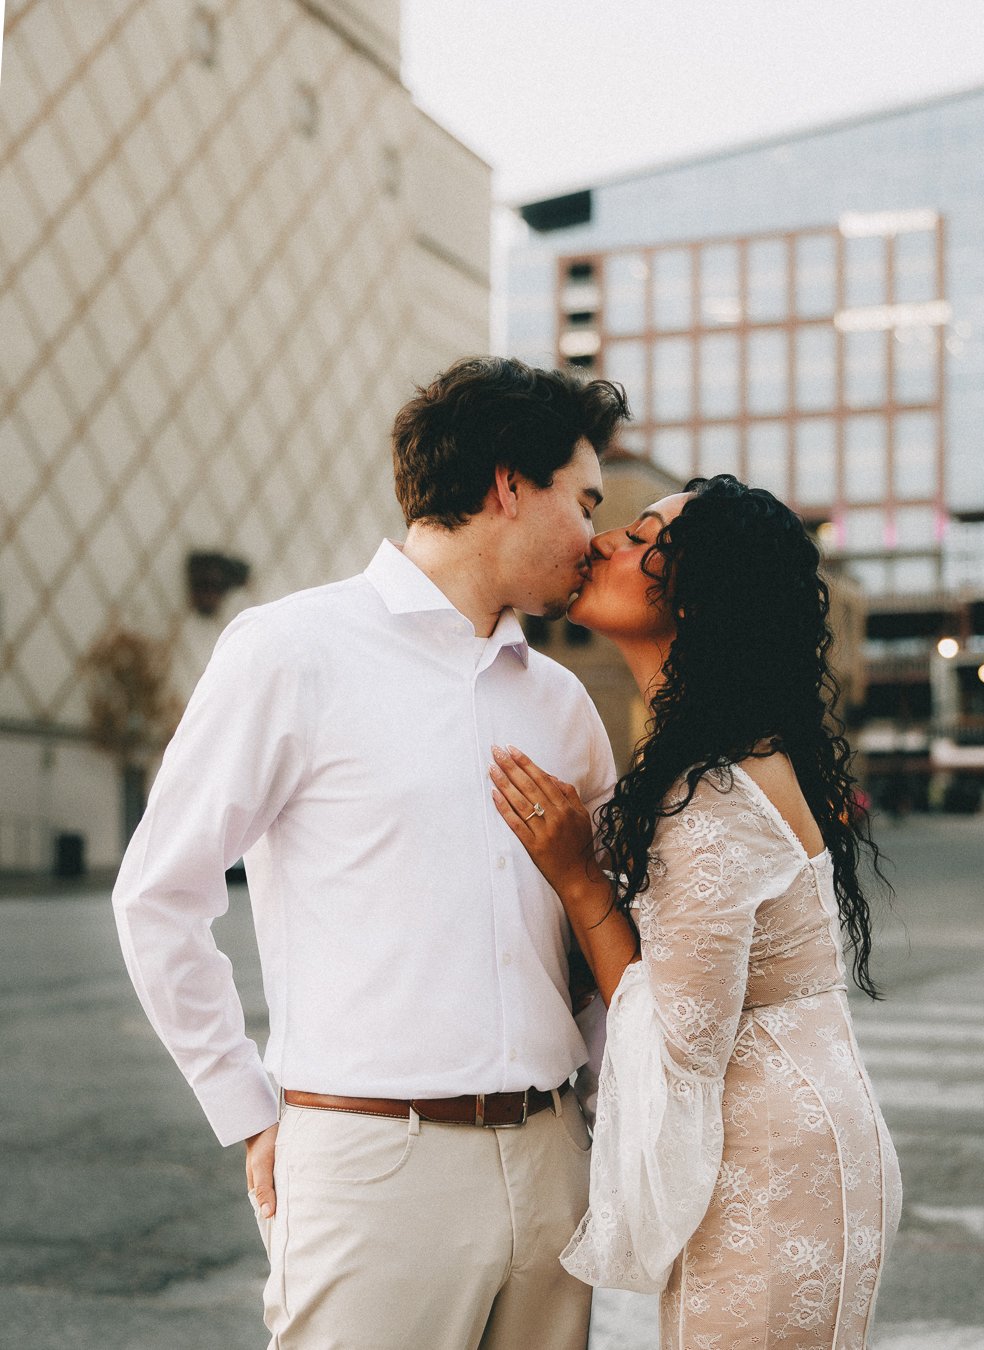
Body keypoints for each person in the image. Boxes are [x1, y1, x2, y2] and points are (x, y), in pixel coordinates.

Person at [112, 356, 630, 1349]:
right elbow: (159, 896)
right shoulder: (290, 652)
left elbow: (597, 932)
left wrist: (599, 1124)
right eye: (585, 499)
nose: (595, 534)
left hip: (556, 1159)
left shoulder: (564, 705)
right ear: (507, 487)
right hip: (374, 1167)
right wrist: (252, 1112)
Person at [489, 475, 902, 1349]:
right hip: (798, 1140)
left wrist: (578, 881)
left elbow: (679, 1042)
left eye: (641, 538)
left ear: (700, 595)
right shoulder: (728, 756)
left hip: (768, 1166)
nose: (603, 542)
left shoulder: (709, 792)